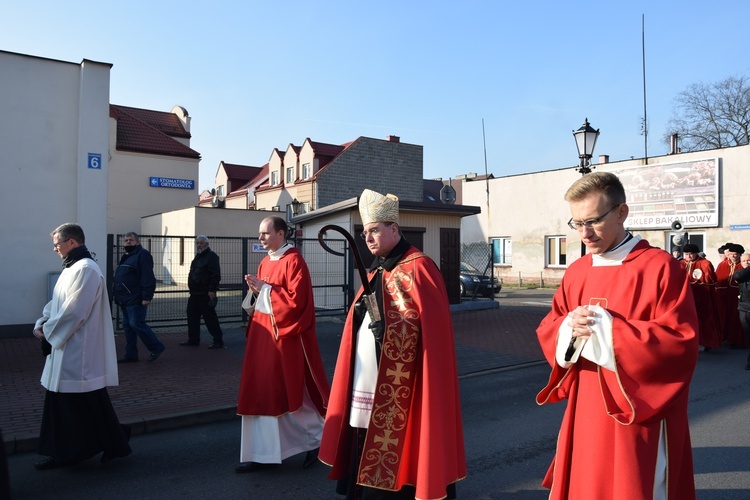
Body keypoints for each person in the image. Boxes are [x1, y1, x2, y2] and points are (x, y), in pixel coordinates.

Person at [535, 172, 699, 499]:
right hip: (586, 407)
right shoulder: (578, 271)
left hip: (637, 410)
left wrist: (608, 330)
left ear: (621, 213)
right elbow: (550, 325)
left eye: (593, 221)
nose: (584, 233)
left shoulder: (659, 267)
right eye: (576, 223)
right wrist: (569, 328)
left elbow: (679, 342)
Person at [319, 189, 466, 500]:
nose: (369, 238)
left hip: (404, 383)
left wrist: (390, 328)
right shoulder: (376, 269)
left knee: (403, 436)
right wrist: (361, 315)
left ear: (394, 229)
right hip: (367, 374)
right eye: (365, 232)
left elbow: (430, 331)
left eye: (375, 230)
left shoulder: (419, 267)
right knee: (363, 429)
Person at [32, 223, 131, 470]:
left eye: (57, 244)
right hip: (66, 347)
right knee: (85, 404)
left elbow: (75, 312)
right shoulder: (71, 268)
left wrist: (48, 331)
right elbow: (57, 304)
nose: (55, 249)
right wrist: (43, 321)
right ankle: (109, 444)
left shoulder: (86, 269)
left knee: (83, 404)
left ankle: (73, 451)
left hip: (78, 350)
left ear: (72, 242)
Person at [235, 216, 331, 472]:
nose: (261, 238)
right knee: (261, 391)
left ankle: (315, 440)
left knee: (285, 391)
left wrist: (265, 289)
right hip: (262, 336)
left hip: (284, 337)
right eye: (259, 233)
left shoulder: (294, 261)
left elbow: (297, 303)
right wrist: (256, 291)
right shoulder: (266, 261)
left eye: (265, 233)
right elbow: (266, 295)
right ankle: (261, 452)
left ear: (281, 234)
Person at [113, 232, 165, 363]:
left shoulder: (142, 255)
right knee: (128, 327)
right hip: (125, 299)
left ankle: (156, 347)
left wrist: (147, 297)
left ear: (138, 242)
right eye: (126, 241)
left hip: (136, 298)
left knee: (136, 324)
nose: (128, 242)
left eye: (130, 240)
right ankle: (131, 354)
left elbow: (147, 277)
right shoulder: (126, 256)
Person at [181, 235, 224, 348]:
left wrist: (212, 290)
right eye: (197, 243)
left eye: (201, 243)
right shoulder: (198, 257)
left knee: (209, 318)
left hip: (205, 293)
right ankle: (193, 339)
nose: (199, 245)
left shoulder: (212, 257)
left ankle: (218, 340)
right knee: (192, 316)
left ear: (207, 244)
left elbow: (215, 275)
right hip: (194, 293)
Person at [681, 243, 723, 351]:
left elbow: (710, 281)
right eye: (686, 254)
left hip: (702, 298)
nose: (688, 257)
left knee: (704, 320)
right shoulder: (681, 263)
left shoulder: (705, 263)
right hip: (686, 297)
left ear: (696, 253)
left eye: (691, 254)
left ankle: (704, 342)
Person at [715, 243, 746, 347]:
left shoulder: (742, 266)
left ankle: (735, 340)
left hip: (736, 296)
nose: (733, 256)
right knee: (722, 316)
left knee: (735, 319)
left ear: (740, 255)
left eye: (735, 254)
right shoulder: (722, 265)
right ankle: (722, 337)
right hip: (723, 295)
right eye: (731, 254)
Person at [733, 253, 750, 370]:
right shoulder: (740, 273)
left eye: (748, 261)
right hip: (743, 308)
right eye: (744, 261)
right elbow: (738, 277)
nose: (746, 263)